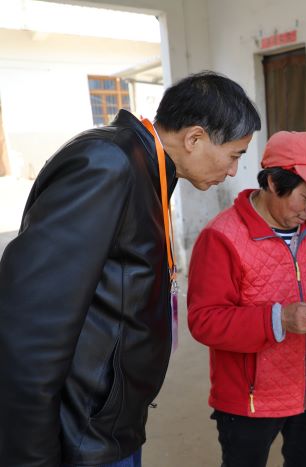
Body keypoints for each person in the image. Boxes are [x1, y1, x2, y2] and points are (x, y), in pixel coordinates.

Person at [0, 71, 260, 467]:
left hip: (109, 422)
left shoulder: (148, 167)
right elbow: (32, 322)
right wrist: (31, 456)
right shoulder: (108, 165)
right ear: (194, 138)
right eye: (235, 155)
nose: (233, 170)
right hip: (83, 434)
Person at [187, 130, 306, 467]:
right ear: (272, 182)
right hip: (251, 399)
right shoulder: (222, 237)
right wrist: (279, 319)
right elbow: (204, 320)